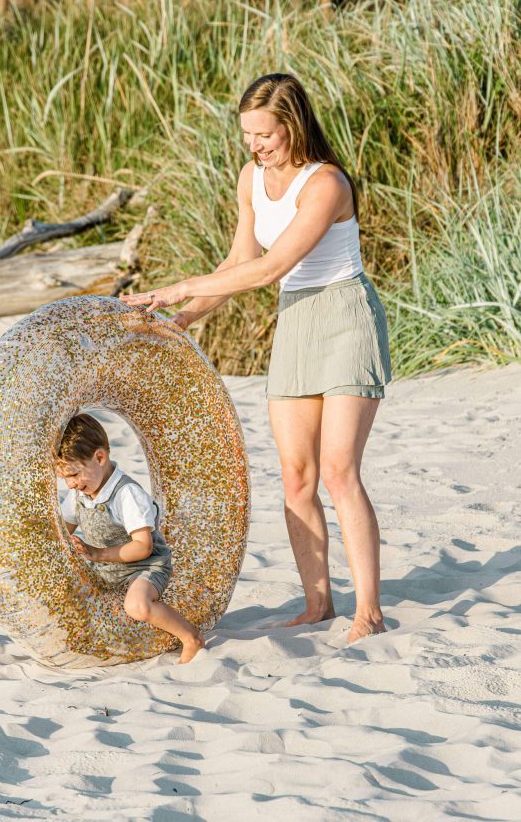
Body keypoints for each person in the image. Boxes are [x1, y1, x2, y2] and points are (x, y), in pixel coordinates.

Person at [121, 72, 392, 644]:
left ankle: (368, 609)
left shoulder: (328, 185)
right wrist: (185, 316)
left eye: (264, 134)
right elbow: (240, 259)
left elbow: (271, 267)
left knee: (340, 472)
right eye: (247, 135)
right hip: (296, 321)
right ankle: (318, 604)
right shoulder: (251, 178)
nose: (255, 145)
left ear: (292, 125)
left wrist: (176, 287)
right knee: (297, 479)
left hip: (344, 317)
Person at [55, 413, 205, 663]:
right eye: (65, 478)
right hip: (106, 569)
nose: (70, 485)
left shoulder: (127, 494)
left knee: (137, 606)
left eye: (73, 475)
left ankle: (191, 638)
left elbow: (143, 547)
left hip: (144, 567)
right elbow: (63, 530)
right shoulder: (80, 494)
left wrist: (97, 553)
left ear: (100, 458)